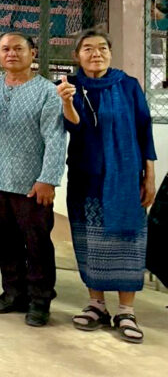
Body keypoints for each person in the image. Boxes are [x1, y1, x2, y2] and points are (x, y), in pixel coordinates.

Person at [57, 30, 157, 343]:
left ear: (110, 53)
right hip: (86, 176)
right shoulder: (69, 86)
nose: (96, 53)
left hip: (126, 178)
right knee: (90, 240)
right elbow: (74, 126)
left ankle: (126, 311)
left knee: (127, 241)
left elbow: (144, 130)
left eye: (102, 48)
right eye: (88, 48)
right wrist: (67, 102)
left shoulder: (128, 85)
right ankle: (96, 304)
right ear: (77, 55)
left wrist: (149, 176)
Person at [0, 32, 66, 327]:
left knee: (37, 244)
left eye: (18, 48)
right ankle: (13, 293)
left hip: (32, 184)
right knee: (5, 242)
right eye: (5, 49)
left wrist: (48, 179)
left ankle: (40, 300)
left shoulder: (47, 91)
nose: (11, 54)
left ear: (32, 53)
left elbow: (55, 138)